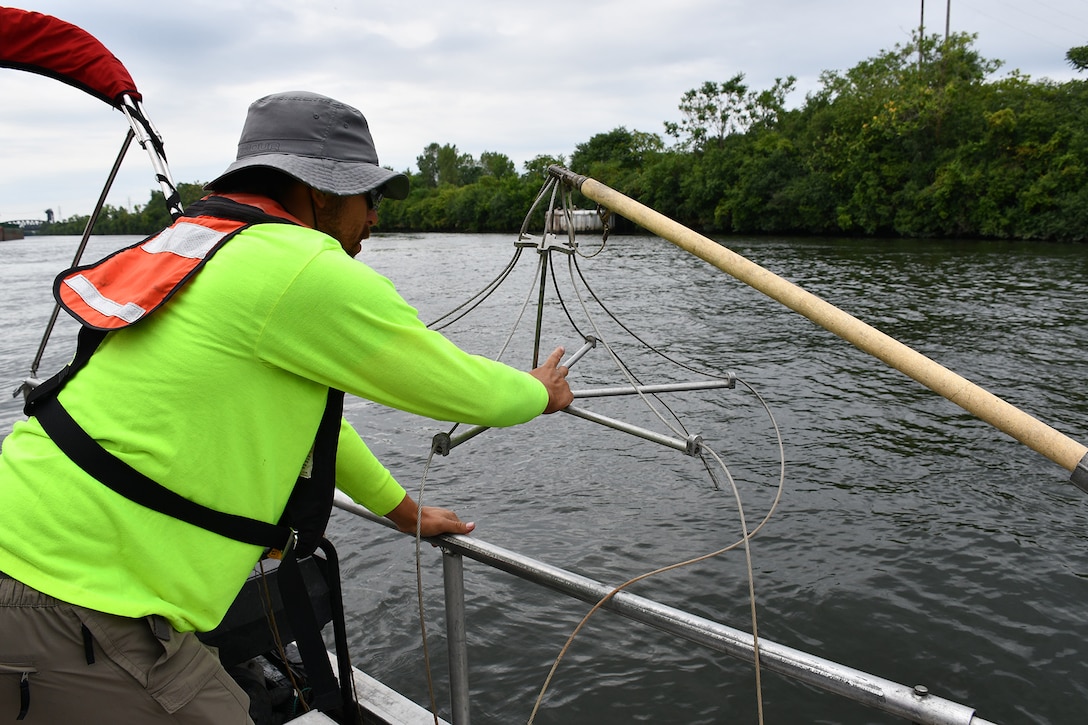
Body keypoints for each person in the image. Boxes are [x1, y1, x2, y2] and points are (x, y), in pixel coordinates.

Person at [0, 90, 573, 723]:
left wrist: (405, 512)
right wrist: (538, 392)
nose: (375, 219)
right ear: (322, 192)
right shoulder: (299, 268)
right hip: (69, 597)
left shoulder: (204, 246)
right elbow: (461, 387)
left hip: (39, 561)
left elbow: (315, 432)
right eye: (370, 198)